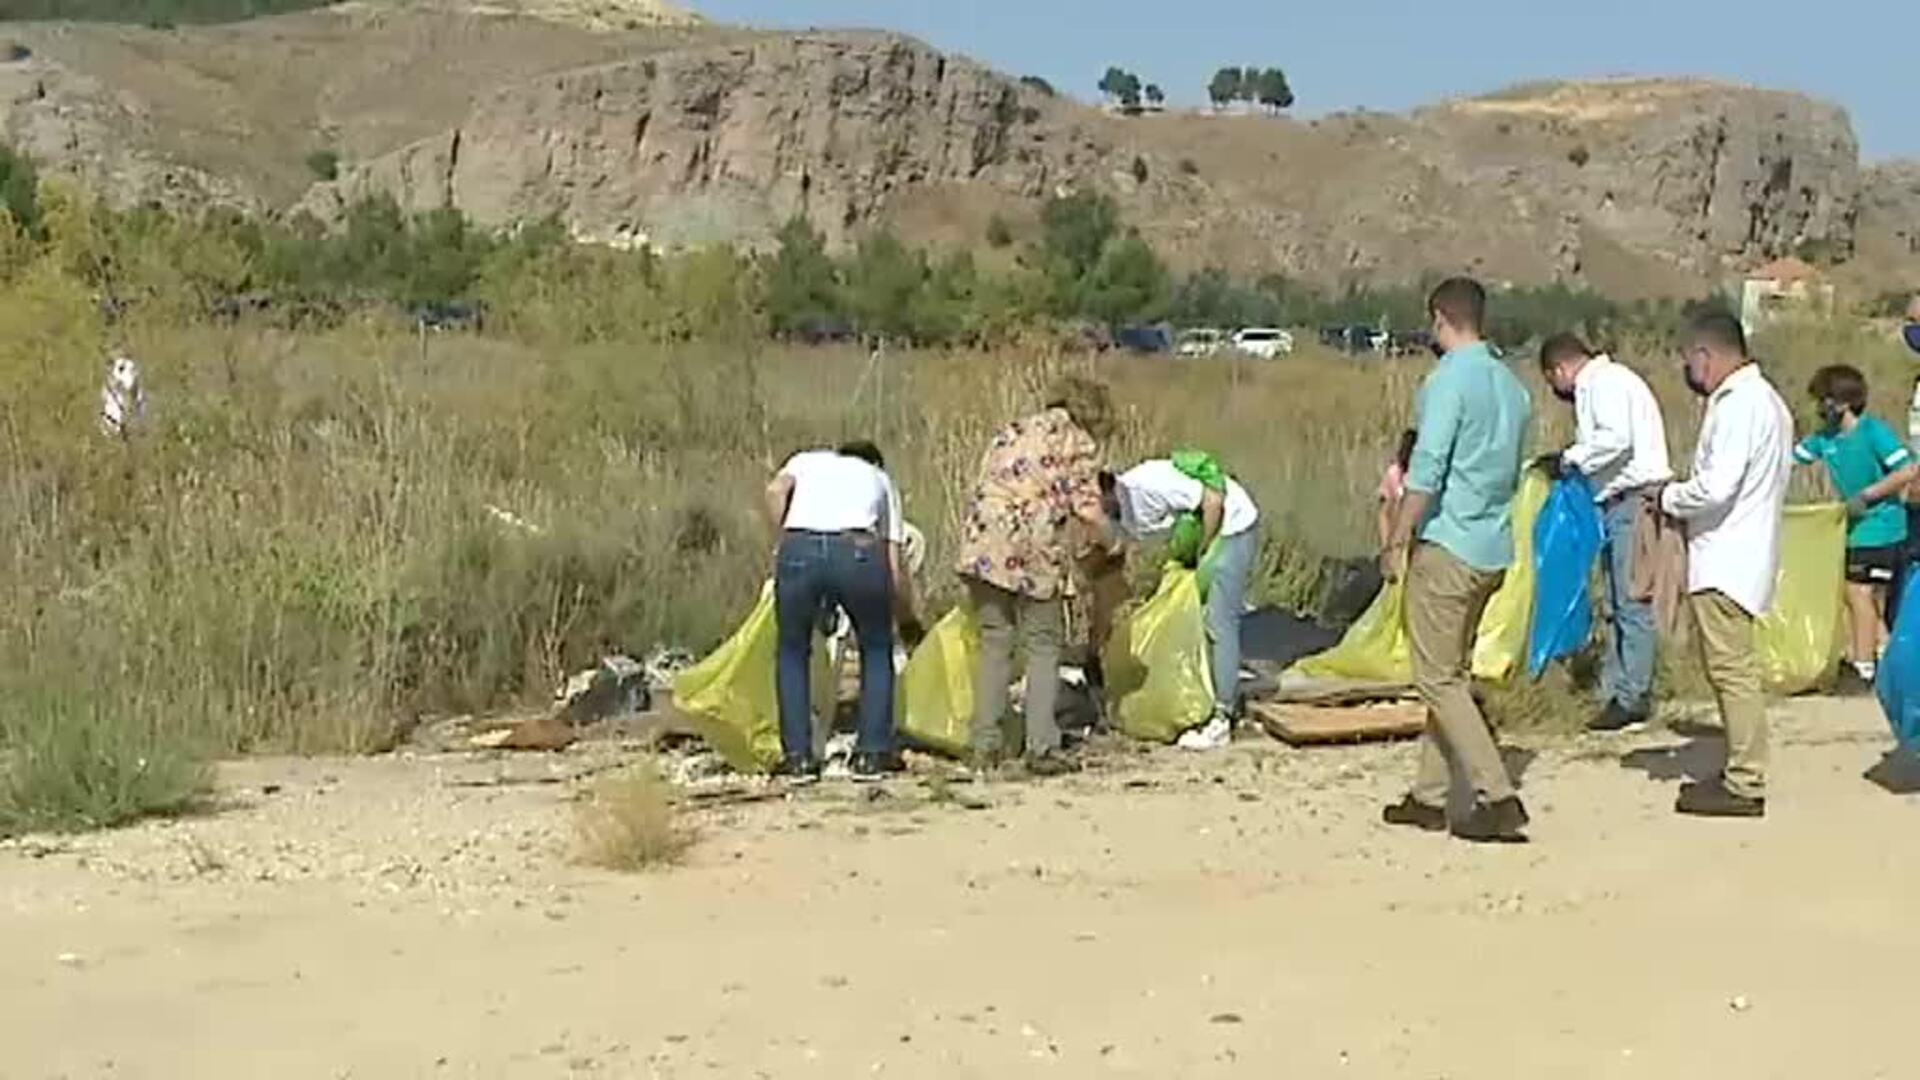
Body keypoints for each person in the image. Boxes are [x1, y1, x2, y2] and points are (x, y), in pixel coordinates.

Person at [1378, 277, 1533, 843]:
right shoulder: (1512, 389)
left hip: (1449, 543)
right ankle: (1429, 794)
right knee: (1450, 674)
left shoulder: (1448, 382)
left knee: (1436, 678)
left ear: (1441, 318)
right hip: (1492, 546)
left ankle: (1497, 795)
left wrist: (1396, 536)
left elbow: (1428, 467)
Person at [1659, 312, 1793, 818]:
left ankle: (1745, 780)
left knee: (1732, 671)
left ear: (1704, 356)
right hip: (1743, 552)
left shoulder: (1739, 406)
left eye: (1690, 361)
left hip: (1727, 558)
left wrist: (1670, 496)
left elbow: (1717, 486)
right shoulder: (1769, 403)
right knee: (1731, 669)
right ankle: (1742, 765)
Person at [955, 376, 1117, 776]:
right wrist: (1113, 543)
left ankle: (984, 744)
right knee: (1043, 644)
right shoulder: (1077, 442)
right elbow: (1089, 510)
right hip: (1033, 546)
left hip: (984, 540)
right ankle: (1040, 745)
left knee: (996, 641)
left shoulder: (1013, 430)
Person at [1535, 334, 1673, 731]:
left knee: (1631, 600)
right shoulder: (1609, 382)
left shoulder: (1603, 383)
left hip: (1633, 500)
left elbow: (1615, 439)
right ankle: (1615, 687)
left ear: (1559, 370)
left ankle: (1632, 696)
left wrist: (1569, 459)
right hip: (1616, 503)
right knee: (1616, 600)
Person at [763, 440, 921, 785]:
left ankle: (798, 759)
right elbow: (894, 566)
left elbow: (775, 491)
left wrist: (784, 539)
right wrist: (907, 620)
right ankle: (872, 754)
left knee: (792, 650)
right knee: (876, 647)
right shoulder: (880, 479)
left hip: (799, 546)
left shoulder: (805, 459)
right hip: (857, 550)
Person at [1103, 452, 1261, 750]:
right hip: (1207, 533)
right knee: (1194, 619)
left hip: (1232, 528)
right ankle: (1209, 692)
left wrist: (1204, 553)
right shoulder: (1118, 511)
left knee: (1219, 622)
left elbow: (1213, 501)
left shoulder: (1146, 487)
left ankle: (1221, 719)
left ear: (1107, 491)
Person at [1794, 365, 1917, 685]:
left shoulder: (1874, 433)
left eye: (1825, 400)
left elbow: (1906, 470)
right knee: (1855, 596)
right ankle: (1891, 660)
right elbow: (1793, 460)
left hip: (1882, 526)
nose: (1821, 408)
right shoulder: (1825, 439)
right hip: (1850, 530)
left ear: (1843, 402)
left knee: (1858, 592)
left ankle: (1864, 666)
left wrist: (1868, 496)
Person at [1376, 429, 1416, 551]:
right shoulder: (1394, 473)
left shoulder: (1425, 474)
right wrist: (1386, 545)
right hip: (1397, 540)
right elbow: (1383, 513)